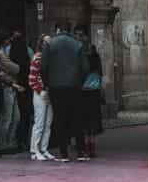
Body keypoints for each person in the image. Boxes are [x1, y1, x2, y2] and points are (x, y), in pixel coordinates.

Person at [40, 22, 85, 161]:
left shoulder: (50, 44)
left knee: (59, 118)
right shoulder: (77, 44)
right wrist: (79, 82)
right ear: (69, 30)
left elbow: (43, 67)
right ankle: (80, 151)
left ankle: (63, 152)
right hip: (74, 86)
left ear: (57, 30)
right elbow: (85, 67)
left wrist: (47, 83)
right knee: (76, 118)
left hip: (55, 87)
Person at [76, 28, 104, 160]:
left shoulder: (80, 56)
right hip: (93, 92)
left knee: (84, 121)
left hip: (83, 92)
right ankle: (90, 146)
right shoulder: (95, 57)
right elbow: (100, 74)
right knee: (91, 121)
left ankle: (86, 146)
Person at [28, 34, 54, 160]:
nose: (49, 44)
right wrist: (40, 90)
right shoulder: (37, 58)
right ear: (41, 44)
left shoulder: (52, 57)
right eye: (46, 42)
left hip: (49, 92)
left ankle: (44, 148)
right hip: (40, 93)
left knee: (48, 123)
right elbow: (32, 79)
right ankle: (34, 150)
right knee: (39, 122)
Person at [0, 38, 19, 152]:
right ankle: (3, 143)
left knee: (15, 117)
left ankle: (9, 142)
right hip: (6, 87)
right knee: (7, 117)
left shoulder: (3, 53)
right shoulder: (0, 54)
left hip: (11, 86)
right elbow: (15, 68)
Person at [8, 30, 33, 151]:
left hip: (13, 84)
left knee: (11, 115)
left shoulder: (8, 50)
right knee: (25, 114)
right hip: (26, 85)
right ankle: (23, 140)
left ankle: (11, 140)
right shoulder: (28, 51)